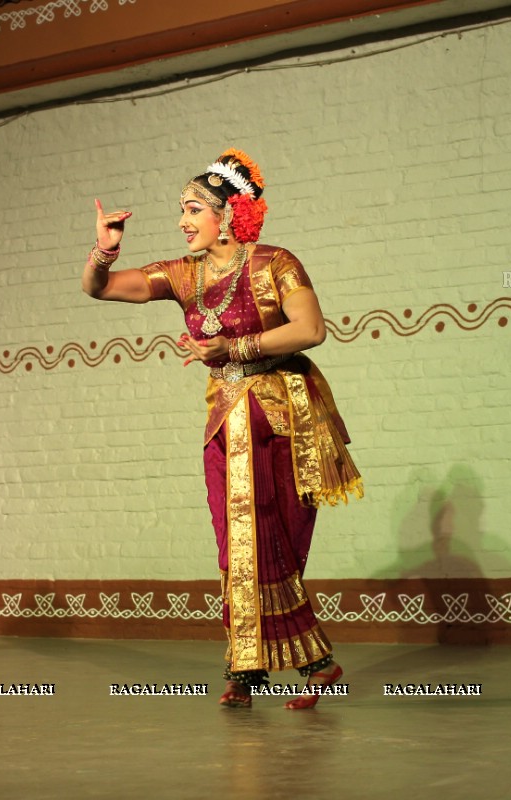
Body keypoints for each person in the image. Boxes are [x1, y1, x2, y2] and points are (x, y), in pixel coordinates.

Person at [81, 149, 363, 709]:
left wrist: (233, 347)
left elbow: (311, 329)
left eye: (192, 210)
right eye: (181, 211)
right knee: (235, 544)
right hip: (226, 419)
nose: (183, 221)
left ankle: (282, 666)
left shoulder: (275, 263)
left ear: (228, 214)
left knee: (277, 537)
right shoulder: (183, 274)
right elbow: (100, 288)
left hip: (284, 418)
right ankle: (266, 665)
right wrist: (104, 251)